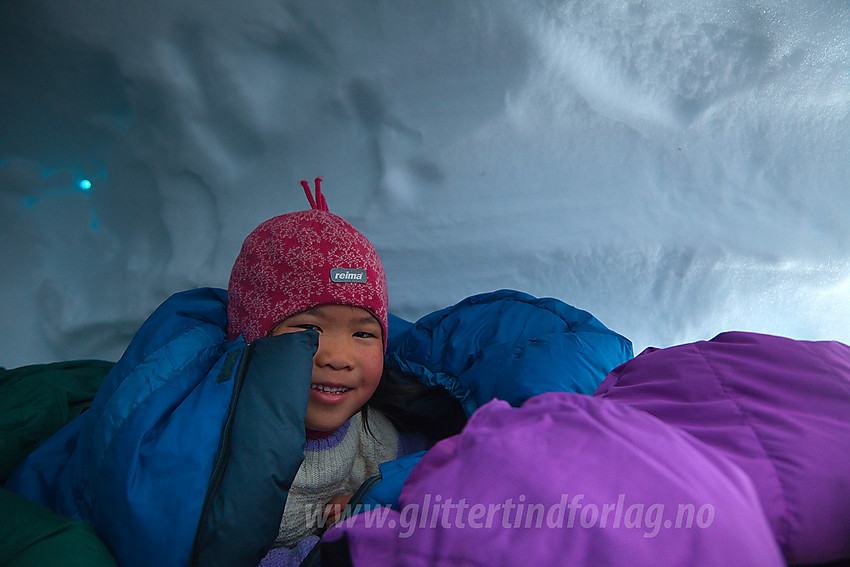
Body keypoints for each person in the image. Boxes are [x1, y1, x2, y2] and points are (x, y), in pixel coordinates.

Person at [225, 178, 429, 563]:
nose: (338, 357)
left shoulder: (369, 430)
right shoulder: (225, 440)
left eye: (363, 333)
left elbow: (433, 466)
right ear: (253, 339)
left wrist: (368, 502)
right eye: (310, 330)